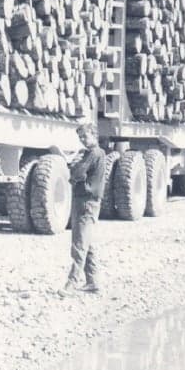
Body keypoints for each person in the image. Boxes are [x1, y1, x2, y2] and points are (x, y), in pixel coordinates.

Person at [61, 123, 107, 295]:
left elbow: (77, 172)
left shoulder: (93, 153)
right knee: (87, 242)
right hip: (87, 200)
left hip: (86, 201)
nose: (82, 140)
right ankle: (93, 281)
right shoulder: (95, 153)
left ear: (94, 135)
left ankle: (71, 283)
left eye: (84, 136)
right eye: (80, 137)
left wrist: (74, 167)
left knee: (79, 244)